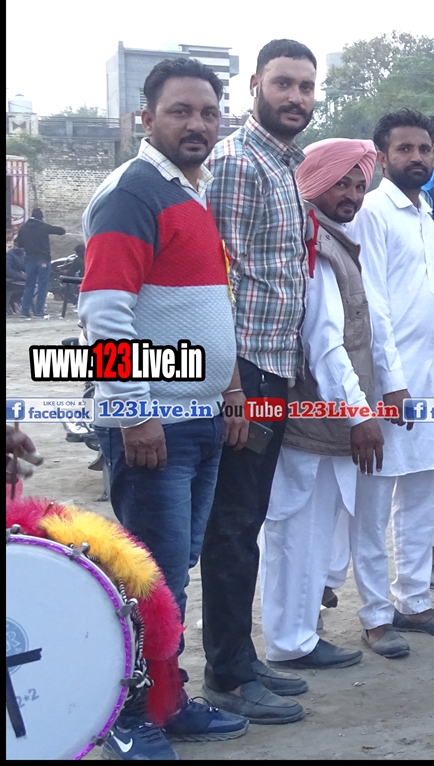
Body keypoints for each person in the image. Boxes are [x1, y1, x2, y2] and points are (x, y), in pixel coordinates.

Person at [79, 57, 249, 759]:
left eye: (208, 112)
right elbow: (104, 315)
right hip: (158, 428)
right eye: (180, 111)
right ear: (147, 118)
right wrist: (135, 413)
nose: (197, 124)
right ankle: (126, 716)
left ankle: (168, 701)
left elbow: (211, 308)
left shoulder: (191, 192)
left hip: (200, 420)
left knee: (173, 576)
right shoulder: (132, 193)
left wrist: (230, 391)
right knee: (147, 579)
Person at [201, 39, 317, 724]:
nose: (295, 98)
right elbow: (214, 281)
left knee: (247, 520)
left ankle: (240, 658)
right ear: (254, 85)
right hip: (243, 369)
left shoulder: (285, 165)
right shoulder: (238, 163)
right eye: (283, 84)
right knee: (232, 523)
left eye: (305, 86)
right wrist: (231, 387)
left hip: (274, 365)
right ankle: (226, 673)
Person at [259, 139, 384, 673]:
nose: (351, 195)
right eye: (340, 184)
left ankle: (301, 632)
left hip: (324, 422)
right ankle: (291, 642)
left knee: (312, 536)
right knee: (296, 535)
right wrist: (360, 415)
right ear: (313, 182)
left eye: (358, 185)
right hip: (311, 422)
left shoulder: (331, 239)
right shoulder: (315, 247)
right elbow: (326, 345)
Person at [352, 109, 434, 648]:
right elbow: (373, 304)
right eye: (405, 149)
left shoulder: (427, 214)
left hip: (432, 381)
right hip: (387, 385)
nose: (417, 157)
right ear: (382, 156)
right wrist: (391, 383)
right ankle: (376, 615)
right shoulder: (372, 212)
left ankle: (415, 603)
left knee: (424, 494)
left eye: (424, 149)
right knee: (374, 504)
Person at [16, 206, 65, 318]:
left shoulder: (23, 228)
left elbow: (19, 244)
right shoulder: (43, 226)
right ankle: (38, 311)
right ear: (41, 217)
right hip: (43, 258)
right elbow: (61, 231)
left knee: (29, 284)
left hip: (29, 258)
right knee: (43, 284)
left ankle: (24, 311)